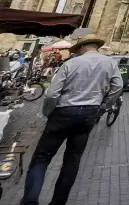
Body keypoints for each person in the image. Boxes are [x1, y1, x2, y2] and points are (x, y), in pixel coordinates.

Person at [21, 33, 122, 205]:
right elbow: (117, 87)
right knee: (72, 161)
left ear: (82, 47)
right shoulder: (110, 63)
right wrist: (103, 107)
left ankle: (30, 201)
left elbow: (52, 94)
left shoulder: (71, 63)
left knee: (42, 158)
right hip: (89, 113)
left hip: (63, 112)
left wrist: (47, 112)